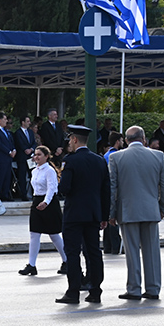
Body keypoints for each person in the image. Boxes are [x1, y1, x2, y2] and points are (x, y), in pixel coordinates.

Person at [108, 126, 164, 300]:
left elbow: (113, 188)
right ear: (144, 138)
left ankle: (134, 288)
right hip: (151, 209)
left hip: (127, 210)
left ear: (126, 140)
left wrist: (111, 213)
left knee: (132, 251)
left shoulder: (116, 157)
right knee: (152, 251)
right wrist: (163, 207)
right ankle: (153, 288)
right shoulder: (158, 156)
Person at [55, 125, 110, 304]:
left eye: (70, 139)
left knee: (72, 252)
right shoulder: (99, 160)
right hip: (93, 213)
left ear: (75, 140)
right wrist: (104, 215)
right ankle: (95, 290)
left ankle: (73, 291)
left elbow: (65, 189)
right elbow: (105, 190)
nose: (69, 143)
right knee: (93, 252)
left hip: (74, 214)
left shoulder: (71, 161)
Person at [18, 145, 67, 276]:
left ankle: (66, 261)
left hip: (49, 202)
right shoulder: (35, 170)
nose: (36, 157)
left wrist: (46, 202)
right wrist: (37, 202)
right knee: (34, 233)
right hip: (36, 200)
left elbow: (52, 188)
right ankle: (31, 265)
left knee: (54, 234)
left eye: (39, 154)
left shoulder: (49, 170)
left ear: (46, 156)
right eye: (35, 154)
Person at [0, 112, 16, 200]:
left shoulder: (5, 130)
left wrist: (13, 150)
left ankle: (5, 193)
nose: (6, 121)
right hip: (1, 157)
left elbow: (10, 141)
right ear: (0, 120)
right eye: (5, 119)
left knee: (7, 176)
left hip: (8, 157)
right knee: (1, 176)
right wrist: (9, 151)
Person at [13, 115, 36, 201]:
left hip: (30, 158)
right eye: (27, 121)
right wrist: (25, 149)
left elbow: (34, 142)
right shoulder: (18, 133)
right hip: (22, 158)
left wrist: (31, 149)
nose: (29, 123)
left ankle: (34, 194)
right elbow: (19, 143)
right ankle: (23, 194)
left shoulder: (30, 132)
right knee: (22, 176)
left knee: (32, 176)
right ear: (23, 122)